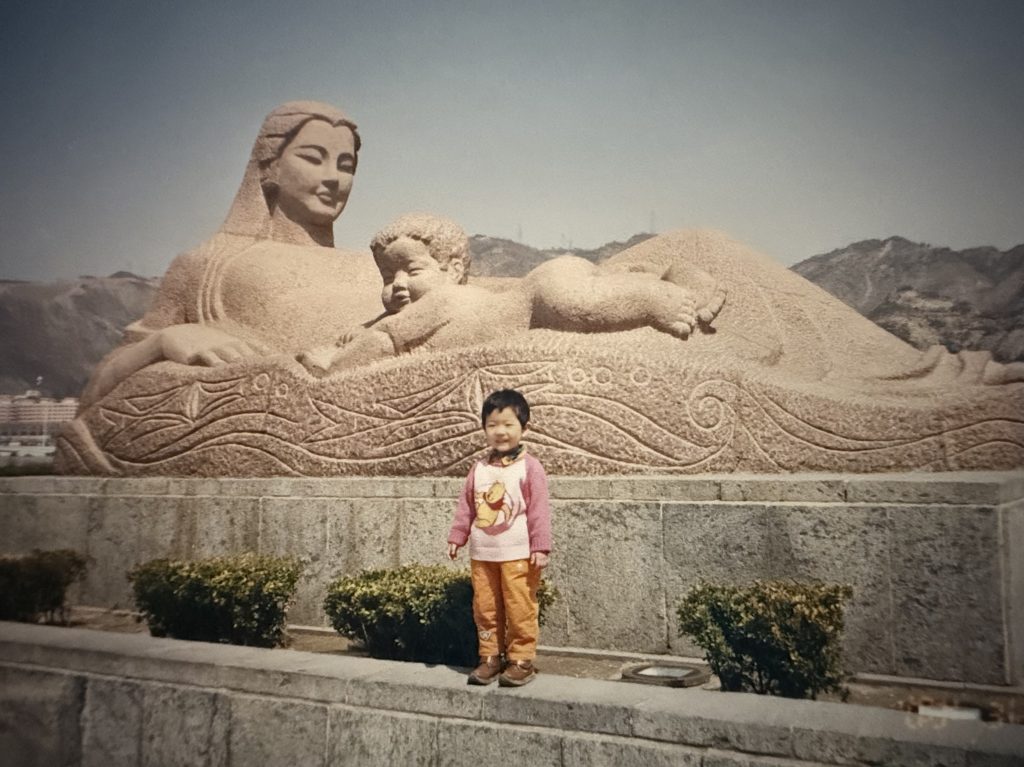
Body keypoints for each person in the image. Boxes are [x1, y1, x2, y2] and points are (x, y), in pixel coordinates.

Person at [78, 101, 382, 408]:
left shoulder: (379, 270)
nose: (334, 178)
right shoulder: (205, 266)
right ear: (270, 167)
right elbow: (96, 395)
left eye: (346, 166)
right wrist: (165, 340)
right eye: (313, 159)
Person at [299, 213, 724, 373]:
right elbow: (378, 330)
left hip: (546, 292)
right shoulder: (461, 300)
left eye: (410, 270)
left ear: (453, 269)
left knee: (581, 306)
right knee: (588, 299)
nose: (398, 286)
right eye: (386, 278)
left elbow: (382, 341)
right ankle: (668, 276)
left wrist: (332, 362)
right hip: (546, 288)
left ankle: (655, 295)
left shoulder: (444, 301)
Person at [446, 389, 551, 687]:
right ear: (484, 428)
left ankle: (521, 658)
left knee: (520, 606)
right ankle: (489, 656)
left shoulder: (530, 467)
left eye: (508, 424)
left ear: (524, 428)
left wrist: (541, 545)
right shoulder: (478, 469)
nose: (500, 432)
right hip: (483, 553)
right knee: (486, 608)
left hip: (518, 553)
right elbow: (467, 505)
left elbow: (539, 509)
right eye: (492, 425)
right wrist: (458, 536)